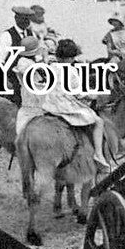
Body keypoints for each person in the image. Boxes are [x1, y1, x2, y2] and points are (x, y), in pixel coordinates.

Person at [40, 39, 110, 168]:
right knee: (98, 122)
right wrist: (93, 95)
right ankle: (98, 155)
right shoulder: (71, 72)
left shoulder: (51, 68)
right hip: (65, 107)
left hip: (50, 105)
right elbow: (79, 94)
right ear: (71, 58)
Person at [0, 5, 35, 106]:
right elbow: (0, 60)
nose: (26, 22)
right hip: (11, 75)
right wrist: (4, 80)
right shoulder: (7, 35)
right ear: (16, 18)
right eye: (23, 18)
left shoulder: (31, 34)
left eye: (28, 19)